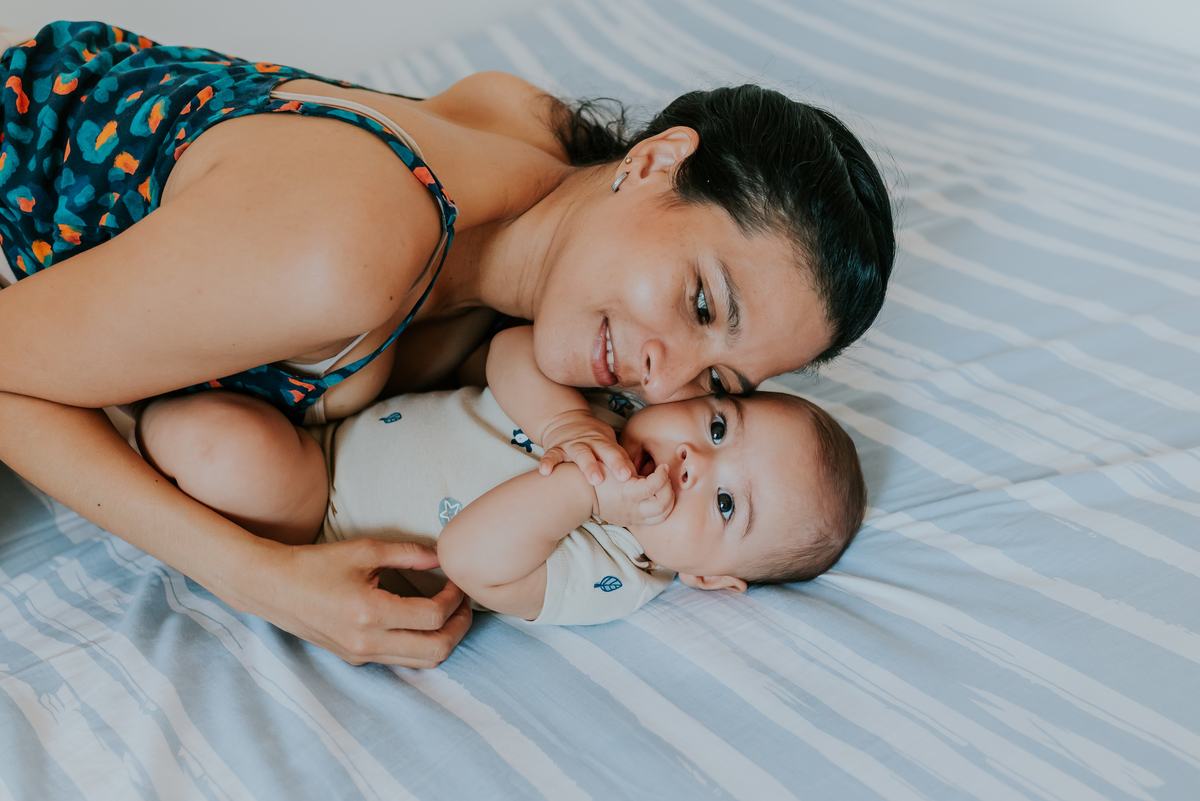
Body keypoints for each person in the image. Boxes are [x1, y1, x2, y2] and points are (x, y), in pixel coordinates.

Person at [0, 21, 895, 665]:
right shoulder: (344, 257)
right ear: (655, 160)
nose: (668, 376)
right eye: (701, 299)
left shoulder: (538, 142)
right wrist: (259, 578)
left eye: (721, 382)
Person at [134, 325, 866, 625]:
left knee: (217, 448)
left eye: (727, 502)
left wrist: (583, 491)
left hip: (320, 507)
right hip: (343, 415)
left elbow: (472, 556)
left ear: (708, 577)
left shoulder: (614, 574)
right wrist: (566, 426)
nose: (693, 463)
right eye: (715, 428)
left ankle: (126, 421)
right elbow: (513, 347)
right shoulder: (614, 409)